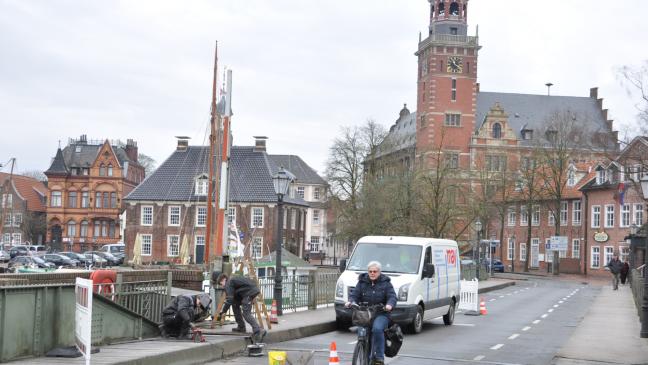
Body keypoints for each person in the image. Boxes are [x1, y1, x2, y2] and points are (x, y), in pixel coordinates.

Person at [345, 261, 397, 365]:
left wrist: (389, 305)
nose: (372, 273)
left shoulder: (386, 283)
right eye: (370, 271)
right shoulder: (362, 282)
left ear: (379, 272)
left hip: (381, 314)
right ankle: (363, 351)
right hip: (365, 314)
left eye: (375, 271)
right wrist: (350, 302)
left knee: (377, 329)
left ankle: (379, 358)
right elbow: (354, 295)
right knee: (362, 333)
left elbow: (392, 296)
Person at [216, 273, 267, 343]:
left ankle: (258, 330)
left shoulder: (228, 283)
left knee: (246, 313)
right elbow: (233, 298)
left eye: (221, 283)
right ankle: (241, 327)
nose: (222, 285)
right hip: (249, 291)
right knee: (235, 305)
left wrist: (223, 311)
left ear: (224, 279)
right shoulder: (233, 281)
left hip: (249, 293)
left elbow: (229, 300)